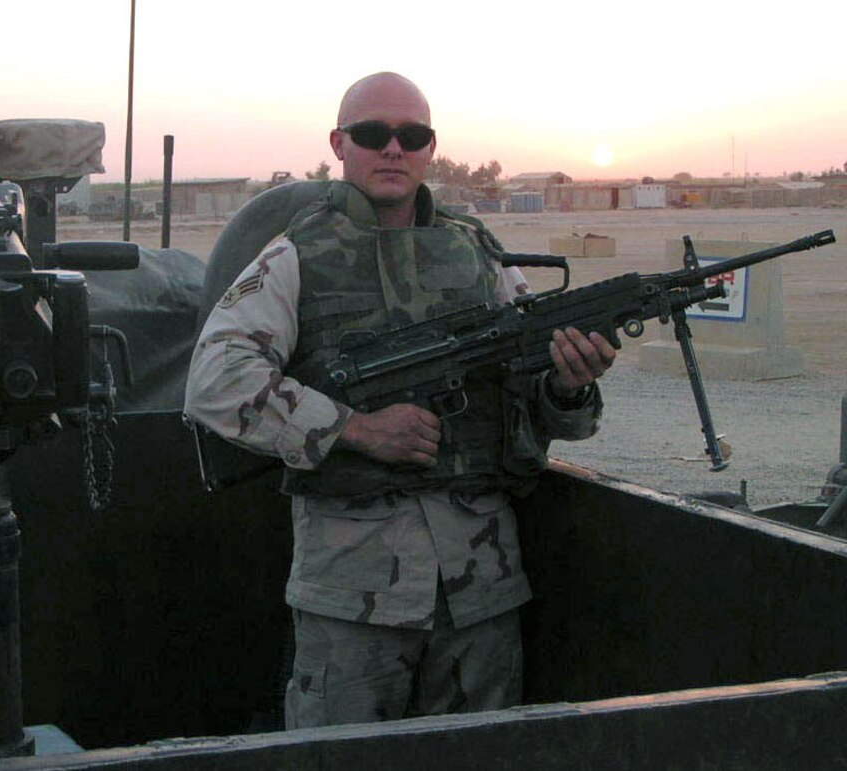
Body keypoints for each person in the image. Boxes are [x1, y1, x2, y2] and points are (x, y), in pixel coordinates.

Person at [185, 72, 616, 729]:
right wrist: (354, 428)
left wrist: (569, 383)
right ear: (340, 144)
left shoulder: (478, 253)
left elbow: (533, 396)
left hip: (480, 587)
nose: (393, 148)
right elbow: (216, 378)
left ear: (430, 148)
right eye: (372, 134)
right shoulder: (296, 254)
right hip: (353, 594)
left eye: (411, 136)